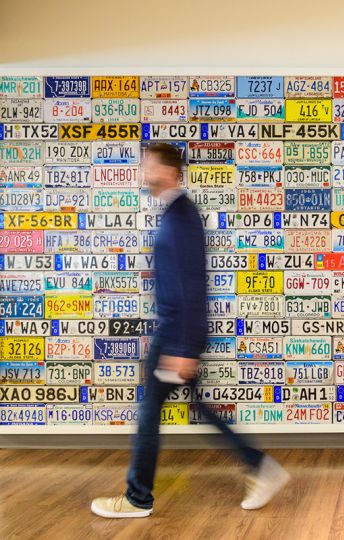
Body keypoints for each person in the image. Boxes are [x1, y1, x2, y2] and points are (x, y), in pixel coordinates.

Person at [91, 143, 289, 518]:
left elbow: (190, 287)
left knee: (150, 413)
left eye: (148, 166)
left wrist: (182, 346)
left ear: (167, 171)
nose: (143, 173)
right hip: (177, 334)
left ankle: (137, 498)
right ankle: (259, 466)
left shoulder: (181, 217)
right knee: (194, 407)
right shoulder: (177, 213)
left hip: (176, 337)